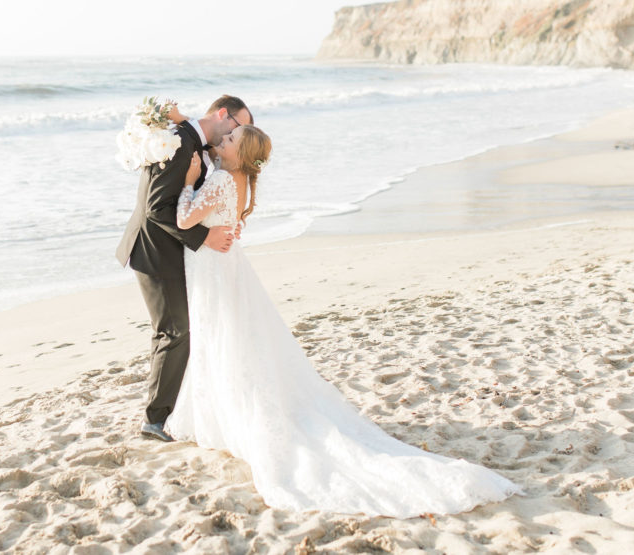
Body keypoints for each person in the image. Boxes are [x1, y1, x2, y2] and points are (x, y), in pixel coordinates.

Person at [163, 123, 521, 518]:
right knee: (228, 335)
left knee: (220, 336)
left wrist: (189, 182)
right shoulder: (240, 181)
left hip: (214, 268)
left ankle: (225, 416)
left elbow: (182, 220)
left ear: (239, 155)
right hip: (223, 266)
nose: (222, 141)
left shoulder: (219, 181)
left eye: (229, 141)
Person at [116, 95, 253, 442]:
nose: (240, 134)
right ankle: (154, 420)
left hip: (172, 250)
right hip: (154, 251)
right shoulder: (180, 144)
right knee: (175, 332)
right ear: (223, 115)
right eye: (240, 126)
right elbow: (156, 208)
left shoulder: (192, 138)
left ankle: (172, 411)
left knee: (182, 330)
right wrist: (205, 236)